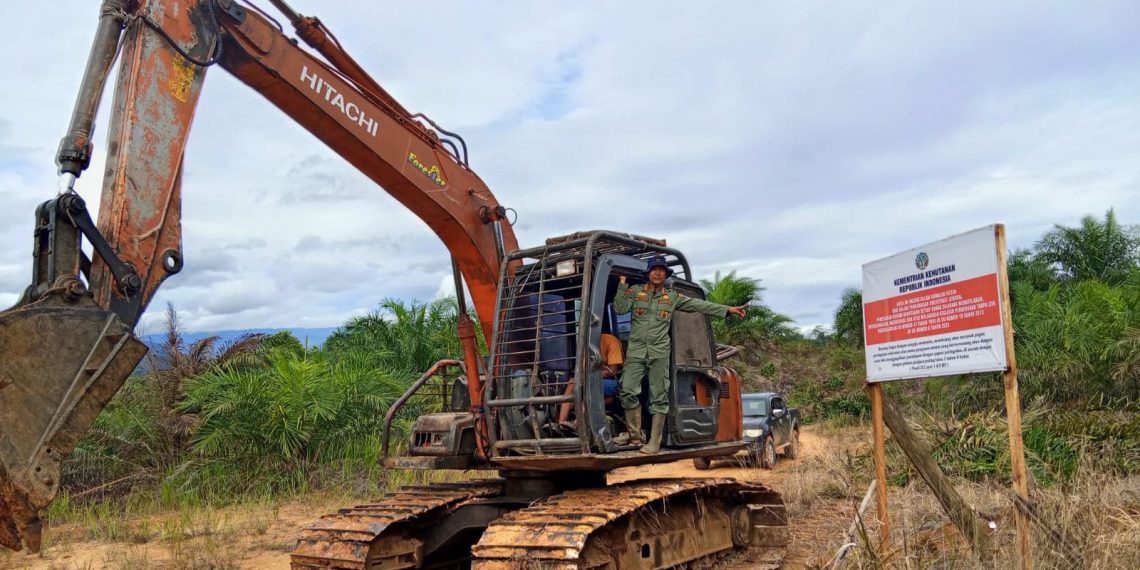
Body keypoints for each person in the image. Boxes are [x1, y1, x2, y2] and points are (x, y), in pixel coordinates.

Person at [614, 255, 746, 454]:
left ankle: (654, 442)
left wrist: (727, 310)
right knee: (628, 391)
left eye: (662, 270)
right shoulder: (636, 292)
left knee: (659, 396)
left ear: (666, 274)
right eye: (654, 269)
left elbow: (699, 306)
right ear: (648, 273)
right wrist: (622, 285)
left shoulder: (672, 298)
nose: (658, 273)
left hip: (659, 353)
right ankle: (634, 437)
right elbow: (619, 307)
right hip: (636, 352)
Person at [556, 333, 623, 427]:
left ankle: (577, 424)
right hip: (594, 381)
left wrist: (591, 375)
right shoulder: (586, 347)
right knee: (572, 382)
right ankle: (561, 423)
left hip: (613, 382)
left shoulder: (611, 341)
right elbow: (584, 371)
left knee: (589, 387)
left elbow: (612, 371)